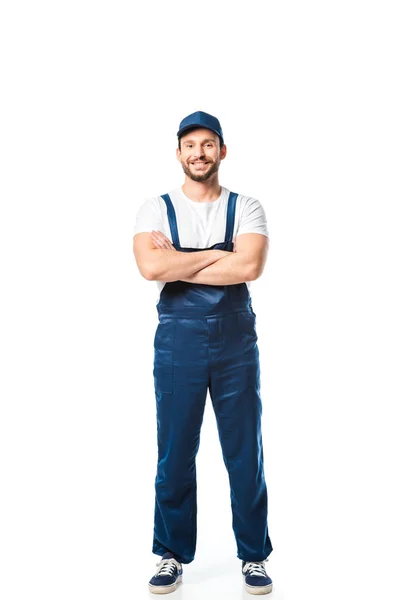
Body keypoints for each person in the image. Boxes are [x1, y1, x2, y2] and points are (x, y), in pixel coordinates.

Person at [132, 111, 273, 595]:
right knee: (174, 452)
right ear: (178, 153)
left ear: (222, 151)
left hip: (237, 342)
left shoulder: (247, 205)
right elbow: (151, 268)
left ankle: (253, 556)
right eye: (190, 144)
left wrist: (182, 259)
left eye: (208, 144)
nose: (199, 153)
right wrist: (219, 253)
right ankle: (170, 554)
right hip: (178, 340)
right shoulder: (155, 208)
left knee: (244, 453)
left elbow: (249, 266)